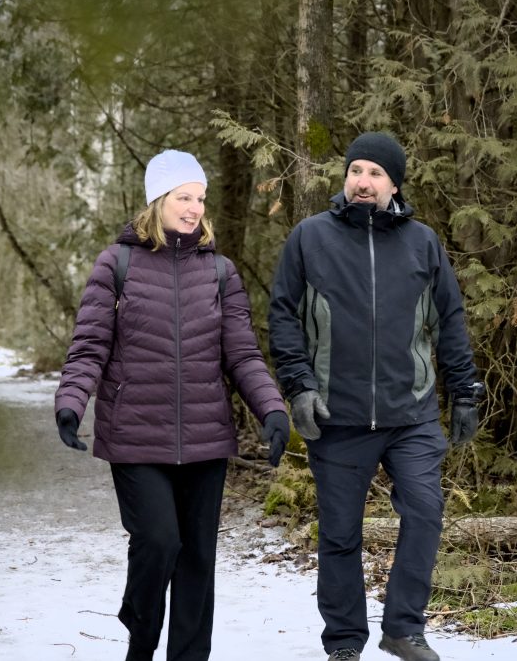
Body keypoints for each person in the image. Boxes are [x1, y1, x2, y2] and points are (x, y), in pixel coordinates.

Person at [54, 149, 289, 661]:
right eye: (184, 197)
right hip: (136, 435)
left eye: (200, 199)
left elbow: (242, 353)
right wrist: (71, 402)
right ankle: (140, 635)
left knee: (197, 560)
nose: (194, 208)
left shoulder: (220, 272)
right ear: (158, 200)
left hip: (205, 439)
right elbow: (90, 344)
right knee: (159, 542)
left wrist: (271, 408)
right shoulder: (117, 264)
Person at [268, 132, 484, 661]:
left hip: (409, 413)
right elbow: (283, 315)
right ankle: (344, 642)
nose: (363, 182)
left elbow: (449, 320)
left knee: (426, 512)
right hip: (336, 416)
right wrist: (298, 385)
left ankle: (404, 629)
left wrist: (465, 390)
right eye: (356, 170)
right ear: (346, 177)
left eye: (375, 174)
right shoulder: (310, 237)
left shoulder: (422, 243)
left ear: (394, 185)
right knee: (340, 533)